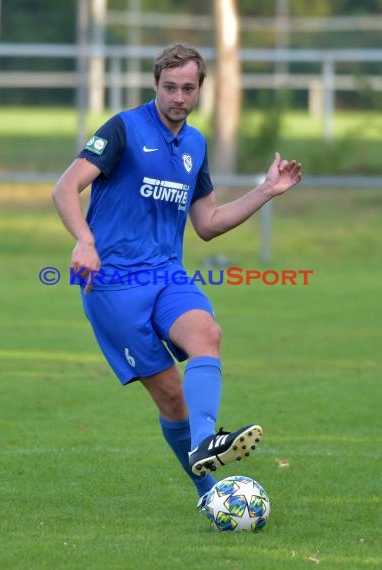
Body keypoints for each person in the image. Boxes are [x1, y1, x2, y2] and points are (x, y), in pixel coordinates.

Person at [52, 42, 302, 511]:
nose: (178, 97)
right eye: (170, 87)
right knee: (171, 399)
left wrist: (267, 190)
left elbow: (206, 224)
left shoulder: (195, 144)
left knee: (207, 333)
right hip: (114, 286)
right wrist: (84, 240)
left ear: (200, 89)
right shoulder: (124, 128)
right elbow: (65, 186)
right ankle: (209, 494)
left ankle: (207, 442)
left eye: (188, 88)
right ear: (155, 85)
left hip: (168, 275)